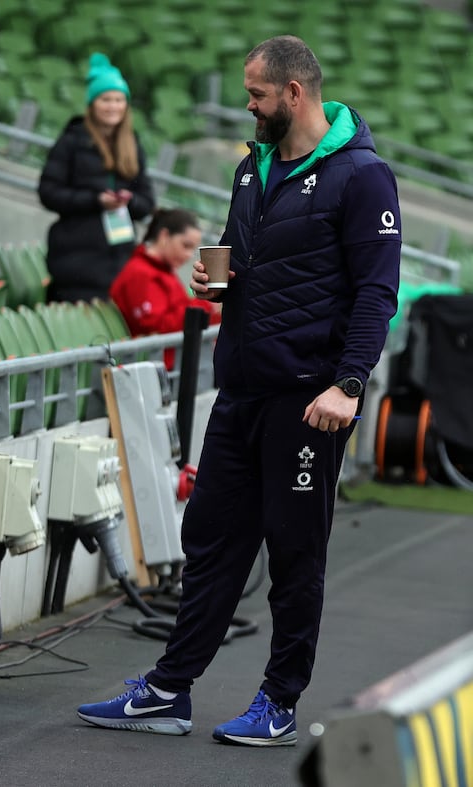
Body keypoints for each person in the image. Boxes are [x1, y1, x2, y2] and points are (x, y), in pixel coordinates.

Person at [77, 36, 401, 746]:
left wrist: (349, 385)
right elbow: (234, 252)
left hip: (312, 398)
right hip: (242, 388)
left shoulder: (363, 176)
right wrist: (216, 282)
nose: (248, 106)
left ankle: (279, 699)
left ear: (294, 93)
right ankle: (169, 689)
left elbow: (378, 292)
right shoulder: (252, 168)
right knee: (214, 539)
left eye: (257, 94)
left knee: (292, 550)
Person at [38, 52, 155, 303]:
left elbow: (147, 202)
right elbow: (48, 192)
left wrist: (128, 201)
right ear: (92, 103)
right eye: (105, 99)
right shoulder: (71, 141)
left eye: (118, 99)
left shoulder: (132, 144)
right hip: (75, 260)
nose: (113, 106)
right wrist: (95, 200)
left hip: (118, 258)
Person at [109, 207, 221, 369]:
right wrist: (205, 307)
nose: (189, 255)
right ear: (164, 236)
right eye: (185, 245)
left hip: (169, 363)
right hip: (158, 367)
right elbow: (155, 326)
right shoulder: (141, 273)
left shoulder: (161, 271)